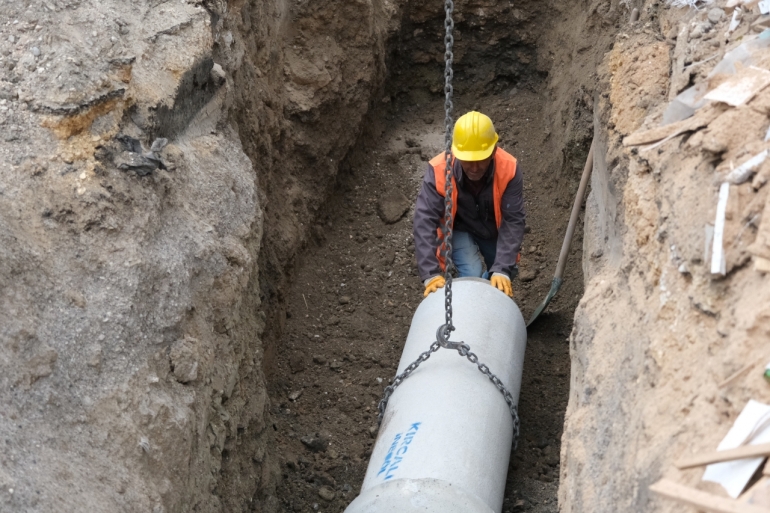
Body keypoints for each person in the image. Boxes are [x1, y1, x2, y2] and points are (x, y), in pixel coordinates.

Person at [413, 111, 525, 298]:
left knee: (503, 275)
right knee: (472, 275)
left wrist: (502, 268)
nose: (474, 168)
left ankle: (489, 300)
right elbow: (424, 221)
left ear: (493, 151)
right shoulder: (439, 170)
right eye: (468, 161)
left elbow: (513, 220)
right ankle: (470, 305)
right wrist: (430, 274)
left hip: (492, 230)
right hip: (460, 229)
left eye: (480, 160)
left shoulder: (509, 169)